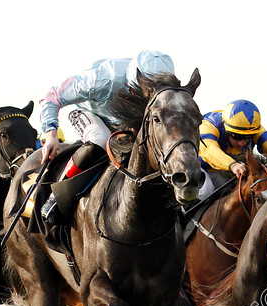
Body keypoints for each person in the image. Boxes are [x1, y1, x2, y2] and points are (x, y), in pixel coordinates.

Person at [38, 50, 175, 224]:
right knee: (100, 137)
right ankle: (56, 198)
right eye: (141, 94)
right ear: (132, 84)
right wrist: (50, 133)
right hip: (86, 110)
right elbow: (52, 96)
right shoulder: (101, 80)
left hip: (122, 118)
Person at [197, 99, 267, 199]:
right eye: (236, 136)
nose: (241, 143)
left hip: (230, 171)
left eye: (247, 138)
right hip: (200, 167)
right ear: (226, 129)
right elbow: (209, 150)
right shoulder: (209, 125)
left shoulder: (254, 130)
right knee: (206, 190)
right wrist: (233, 165)